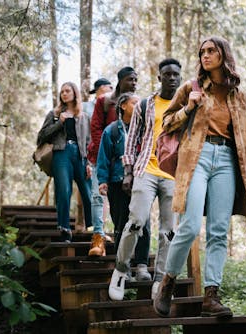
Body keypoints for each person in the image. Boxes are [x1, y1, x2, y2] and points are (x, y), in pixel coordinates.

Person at [153, 37, 246, 318]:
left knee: (219, 231)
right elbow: (166, 124)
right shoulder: (190, 89)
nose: (205, 55)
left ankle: (211, 296)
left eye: (211, 51)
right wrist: (188, 107)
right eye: (202, 52)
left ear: (223, 55)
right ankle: (168, 282)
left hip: (228, 161)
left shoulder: (241, 97)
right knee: (190, 226)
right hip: (197, 157)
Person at [108, 58, 182, 301]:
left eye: (175, 75)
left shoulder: (185, 107)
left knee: (168, 231)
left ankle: (160, 280)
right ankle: (120, 270)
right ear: (159, 78)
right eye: (167, 74)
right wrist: (128, 172)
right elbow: (132, 139)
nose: (172, 78)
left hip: (172, 175)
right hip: (145, 170)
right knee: (136, 221)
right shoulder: (144, 105)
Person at [96, 93, 151, 275]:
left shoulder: (145, 130)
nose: (139, 106)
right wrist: (102, 181)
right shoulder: (112, 130)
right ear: (123, 106)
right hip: (117, 183)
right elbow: (103, 158)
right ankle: (123, 266)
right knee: (121, 223)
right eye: (135, 103)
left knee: (143, 223)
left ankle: (142, 265)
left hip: (142, 181)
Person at [87, 67, 138, 257]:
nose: (133, 83)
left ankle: (126, 245)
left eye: (135, 80)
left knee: (125, 207)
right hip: (103, 157)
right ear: (120, 80)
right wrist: (105, 156)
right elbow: (96, 128)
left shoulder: (136, 103)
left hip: (128, 164)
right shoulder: (105, 101)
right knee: (98, 196)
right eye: (130, 79)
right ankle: (98, 239)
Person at [37, 82, 92, 242]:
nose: (64, 94)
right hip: (61, 154)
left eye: (67, 91)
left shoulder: (83, 116)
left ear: (75, 93)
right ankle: (64, 228)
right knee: (64, 190)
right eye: (62, 92)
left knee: (88, 192)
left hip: (80, 156)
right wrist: (59, 123)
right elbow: (41, 136)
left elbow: (89, 142)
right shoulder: (54, 113)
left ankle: (92, 227)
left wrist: (89, 163)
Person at [81, 78, 112, 236]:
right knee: (93, 194)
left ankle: (103, 228)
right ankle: (95, 231)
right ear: (101, 88)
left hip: (110, 153)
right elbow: (85, 132)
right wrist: (86, 157)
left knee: (104, 194)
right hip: (92, 153)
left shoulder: (114, 105)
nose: (112, 89)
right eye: (109, 86)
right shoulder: (86, 107)